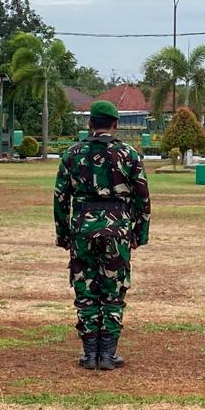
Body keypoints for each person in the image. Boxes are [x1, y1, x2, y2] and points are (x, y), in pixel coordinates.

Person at [53, 100, 150, 371]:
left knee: (85, 289)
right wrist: (139, 233)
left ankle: (89, 353)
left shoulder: (72, 154)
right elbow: (143, 197)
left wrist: (63, 235)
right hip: (117, 229)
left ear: (90, 124)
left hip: (82, 228)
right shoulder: (128, 154)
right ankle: (108, 354)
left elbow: (60, 198)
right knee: (113, 289)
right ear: (115, 125)